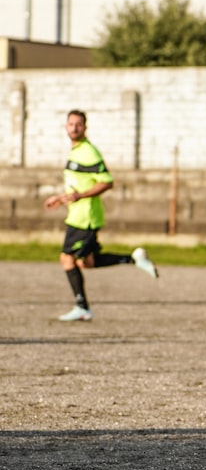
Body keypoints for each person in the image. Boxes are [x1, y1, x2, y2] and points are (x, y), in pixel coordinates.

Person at [43, 110, 158, 322]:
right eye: (71, 124)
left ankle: (82, 307)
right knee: (87, 262)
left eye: (78, 124)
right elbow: (78, 185)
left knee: (67, 259)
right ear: (65, 127)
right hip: (77, 215)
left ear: (85, 128)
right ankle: (133, 259)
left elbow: (106, 182)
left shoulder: (89, 152)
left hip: (85, 218)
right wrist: (60, 198)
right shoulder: (75, 151)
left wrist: (81, 196)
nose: (74, 128)